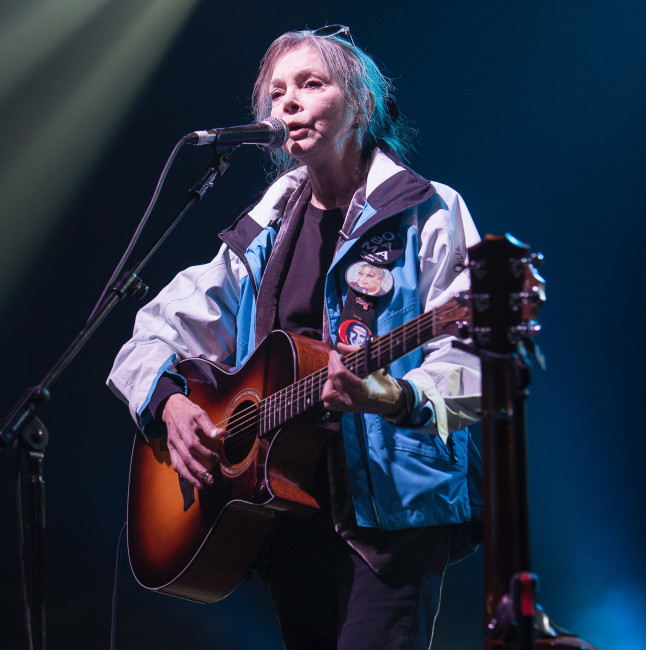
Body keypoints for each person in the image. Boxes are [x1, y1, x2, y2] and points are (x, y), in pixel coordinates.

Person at [108, 25, 483, 650]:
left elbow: (473, 362)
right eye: (277, 91)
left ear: (360, 103)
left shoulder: (429, 211)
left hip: (392, 511)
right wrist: (168, 402)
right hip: (284, 510)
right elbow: (154, 331)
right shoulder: (268, 227)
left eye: (311, 84)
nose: (288, 103)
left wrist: (395, 396)